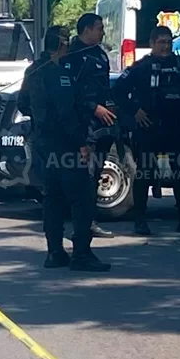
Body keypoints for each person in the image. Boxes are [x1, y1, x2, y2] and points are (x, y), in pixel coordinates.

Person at [17, 25, 111, 271]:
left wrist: (40, 121)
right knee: (82, 199)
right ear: (60, 44)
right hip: (65, 146)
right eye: (66, 41)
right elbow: (66, 113)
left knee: (53, 199)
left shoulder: (33, 70)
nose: (69, 45)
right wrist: (80, 143)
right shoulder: (58, 75)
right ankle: (81, 254)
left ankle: (55, 252)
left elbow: (22, 103)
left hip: (42, 144)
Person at [112, 25, 180, 236]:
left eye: (169, 42)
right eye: (161, 42)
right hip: (149, 127)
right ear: (152, 44)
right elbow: (118, 91)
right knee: (143, 174)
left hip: (177, 128)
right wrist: (135, 111)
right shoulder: (141, 67)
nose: (166, 46)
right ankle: (140, 220)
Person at [65, 13, 117, 239]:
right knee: (84, 176)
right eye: (99, 28)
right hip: (83, 123)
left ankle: (89, 220)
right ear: (86, 30)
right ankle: (84, 224)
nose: (102, 32)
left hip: (102, 123)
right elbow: (70, 93)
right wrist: (93, 107)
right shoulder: (73, 55)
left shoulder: (100, 55)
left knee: (96, 173)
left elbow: (105, 87)